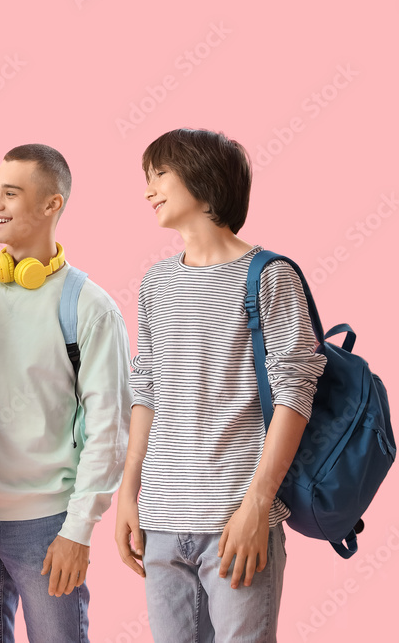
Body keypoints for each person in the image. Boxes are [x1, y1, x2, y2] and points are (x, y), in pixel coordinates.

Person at [114, 128, 326, 642]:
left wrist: (258, 506)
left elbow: (296, 392)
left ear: (203, 177)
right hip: (162, 519)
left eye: (160, 174)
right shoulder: (157, 281)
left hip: (237, 516)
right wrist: (129, 491)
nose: (149, 190)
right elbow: (147, 387)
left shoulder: (269, 275)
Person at [0, 144, 133, 643]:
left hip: (47, 523)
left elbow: (109, 427)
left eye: (10, 193)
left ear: (51, 204)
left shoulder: (90, 307)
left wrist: (78, 529)